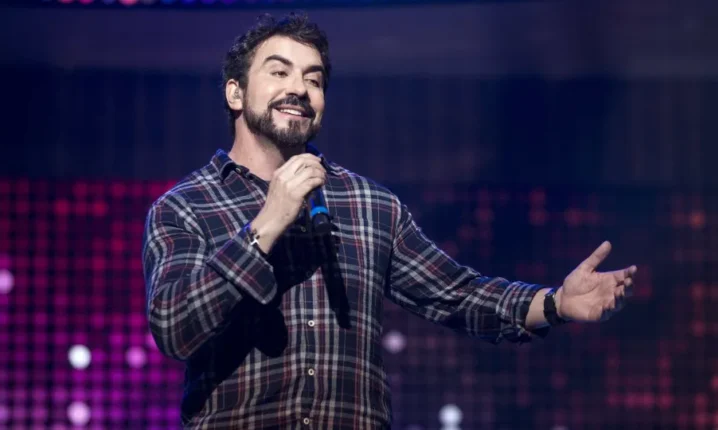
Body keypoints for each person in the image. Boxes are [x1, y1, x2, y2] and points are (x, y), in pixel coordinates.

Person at [142, 12, 637, 429]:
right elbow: (174, 327)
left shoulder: (368, 204)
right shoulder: (185, 207)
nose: (299, 89)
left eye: (314, 79)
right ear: (235, 93)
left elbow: (457, 294)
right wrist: (265, 226)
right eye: (280, 72)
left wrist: (555, 302)